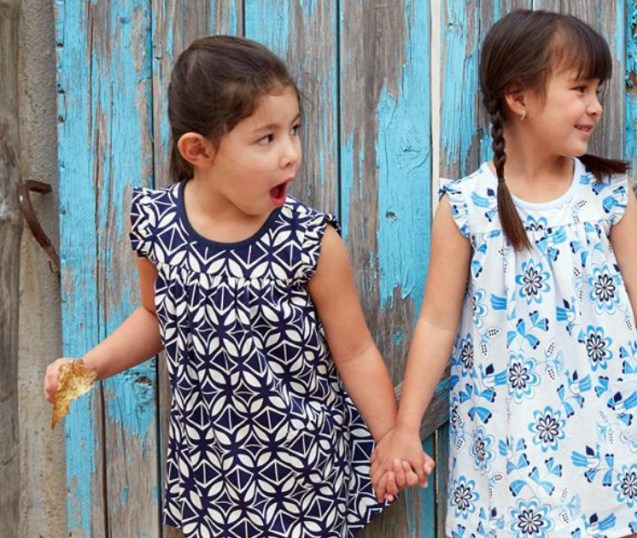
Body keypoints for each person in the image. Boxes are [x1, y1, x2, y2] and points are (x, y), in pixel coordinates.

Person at [371, 10, 637, 538]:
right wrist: (406, 426)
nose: (595, 106)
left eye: (599, 91)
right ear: (518, 98)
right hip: (512, 432)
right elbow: (436, 322)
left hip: (614, 418)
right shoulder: (468, 206)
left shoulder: (606, 194)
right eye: (580, 89)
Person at [42, 35, 421, 537]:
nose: (290, 154)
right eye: (267, 138)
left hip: (306, 477)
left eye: (294, 131)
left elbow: (354, 352)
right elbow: (155, 317)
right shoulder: (156, 225)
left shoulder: (309, 240)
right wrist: (90, 366)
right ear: (199, 150)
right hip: (209, 478)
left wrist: (390, 437)